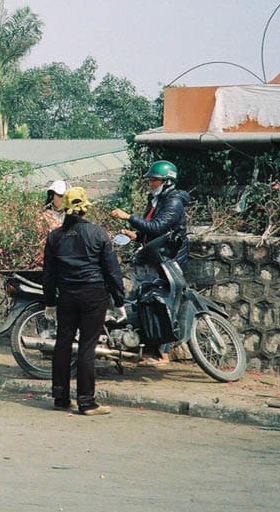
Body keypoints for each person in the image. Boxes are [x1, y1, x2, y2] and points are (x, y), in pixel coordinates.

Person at [43, 186, 125, 416]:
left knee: (63, 344)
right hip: (93, 295)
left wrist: (49, 301)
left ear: (66, 209)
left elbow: (48, 273)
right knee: (87, 347)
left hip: (66, 296)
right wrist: (119, 301)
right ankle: (87, 402)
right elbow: (112, 272)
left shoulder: (55, 236)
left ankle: (60, 397)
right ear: (85, 208)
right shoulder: (98, 234)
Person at [110, 159, 192, 365]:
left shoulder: (173, 202)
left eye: (154, 180)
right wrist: (135, 235)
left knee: (165, 306)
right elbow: (150, 231)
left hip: (170, 262)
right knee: (145, 304)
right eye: (150, 180)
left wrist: (128, 216)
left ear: (167, 182)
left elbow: (157, 227)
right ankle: (149, 348)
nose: (151, 184)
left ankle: (163, 355)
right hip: (156, 259)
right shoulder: (156, 200)